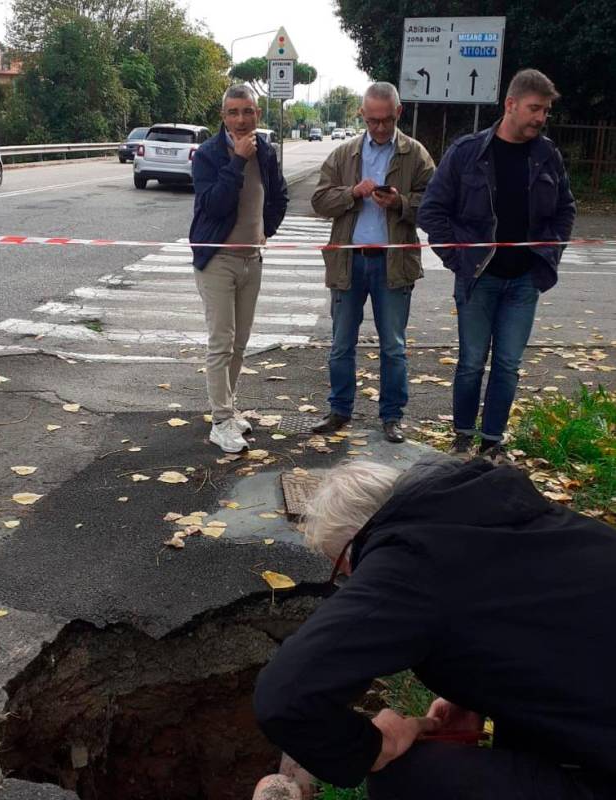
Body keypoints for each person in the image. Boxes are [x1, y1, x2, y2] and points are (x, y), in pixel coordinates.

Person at [253, 455, 616, 799]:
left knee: (404, 777)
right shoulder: (516, 515)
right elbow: (539, 624)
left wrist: (377, 746)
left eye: (343, 571)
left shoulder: (408, 561)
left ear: (354, 545)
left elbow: (284, 696)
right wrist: (472, 692)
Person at [418, 69, 576, 459]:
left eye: (545, 111)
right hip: (478, 279)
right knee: (471, 362)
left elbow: (565, 210)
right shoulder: (467, 152)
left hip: (524, 281)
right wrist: (458, 258)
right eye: (534, 108)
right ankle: (462, 438)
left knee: (508, 365)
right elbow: (431, 212)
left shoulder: (546, 154)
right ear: (510, 104)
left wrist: (550, 253)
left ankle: (492, 443)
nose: (540, 118)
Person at [311, 82, 435, 443]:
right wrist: (352, 194)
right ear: (362, 116)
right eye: (372, 120)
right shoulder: (345, 154)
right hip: (349, 262)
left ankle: (392, 417)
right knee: (341, 344)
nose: (379, 128)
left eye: (386, 120)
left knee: (393, 346)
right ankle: (339, 410)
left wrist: (401, 203)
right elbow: (319, 201)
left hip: (392, 264)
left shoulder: (415, 154)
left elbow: (437, 203)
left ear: (399, 113)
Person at [190, 84, 288, 453]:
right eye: (233, 112)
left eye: (247, 111)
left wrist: (267, 231)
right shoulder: (208, 154)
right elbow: (213, 206)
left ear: (257, 114)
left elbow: (278, 196)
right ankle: (220, 421)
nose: (241, 119)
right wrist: (236, 162)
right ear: (223, 116)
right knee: (221, 342)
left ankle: (228, 412)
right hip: (217, 260)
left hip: (252, 259)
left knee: (240, 344)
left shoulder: (267, 152)